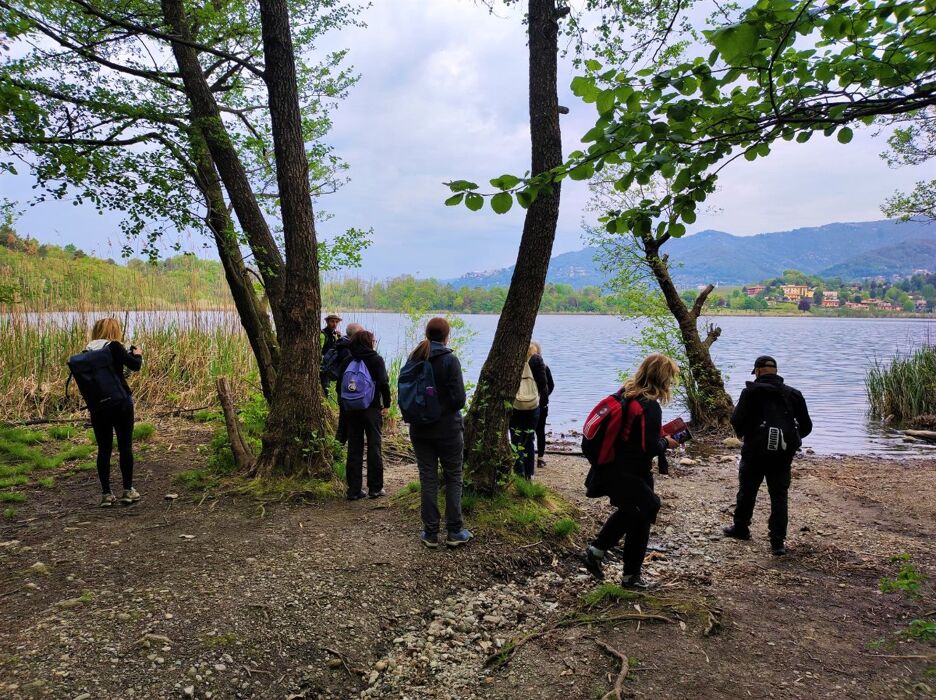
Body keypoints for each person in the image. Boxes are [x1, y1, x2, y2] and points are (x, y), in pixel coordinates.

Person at [578, 354, 681, 589]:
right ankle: (597, 551)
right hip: (629, 471)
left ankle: (630, 575)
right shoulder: (649, 405)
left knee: (639, 516)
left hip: (613, 467)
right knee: (647, 506)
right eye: (670, 379)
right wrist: (667, 443)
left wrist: (658, 438)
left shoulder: (626, 393)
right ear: (663, 379)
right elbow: (650, 447)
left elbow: (634, 436)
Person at [723, 355, 812, 556]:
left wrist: (746, 435)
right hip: (781, 454)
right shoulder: (793, 394)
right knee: (779, 495)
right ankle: (777, 542)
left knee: (747, 490)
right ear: (776, 371)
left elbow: (736, 420)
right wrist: (789, 441)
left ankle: (741, 528)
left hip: (754, 451)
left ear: (759, 371)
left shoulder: (750, 392)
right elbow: (806, 426)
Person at [406, 317, 472, 549]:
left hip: (419, 429)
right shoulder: (450, 359)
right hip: (448, 430)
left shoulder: (415, 357)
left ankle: (430, 533)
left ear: (427, 334)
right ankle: (454, 531)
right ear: (446, 336)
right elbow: (459, 400)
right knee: (454, 477)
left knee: (428, 478)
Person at [85, 318, 143, 507]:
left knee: (104, 449)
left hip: (98, 405)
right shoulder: (115, 346)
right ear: (114, 330)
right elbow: (135, 366)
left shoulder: (87, 350)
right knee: (125, 445)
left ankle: (106, 494)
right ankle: (127, 490)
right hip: (120, 402)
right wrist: (138, 354)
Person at [338, 330, 390, 501]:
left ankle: (353, 490)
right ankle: (375, 488)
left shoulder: (347, 359)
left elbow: (340, 387)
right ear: (369, 342)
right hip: (371, 408)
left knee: (354, 448)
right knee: (374, 446)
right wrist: (387, 404)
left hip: (351, 409)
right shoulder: (376, 359)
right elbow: (383, 383)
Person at [510, 344, 543, 479]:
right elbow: (544, 384)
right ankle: (529, 474)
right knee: (529, 439)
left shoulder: (512, 363)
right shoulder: (537, 362)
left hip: (516, 406)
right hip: (532, 407)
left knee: (516, 439)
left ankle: (519, 473)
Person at [528, 341, 554, 469]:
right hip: (540, 403)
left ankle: (537, 457)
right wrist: (544, 396)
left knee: (535, 431)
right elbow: (551, 385)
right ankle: (539, 458)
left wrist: (544, 396)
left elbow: (551, 385)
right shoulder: (543, 366)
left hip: (535, 403)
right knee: (540, 431)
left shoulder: (544, 367)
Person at [326, 322, 363, 402]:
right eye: (361, 333)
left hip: (342, 389)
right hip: (347, 390)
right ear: (356, 335)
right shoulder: (348, 350)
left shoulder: (341, 342)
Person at [320, 313, 343, 393]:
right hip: (323, 366)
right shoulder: (322, 334)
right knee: (325, 388)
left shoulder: (335, 335)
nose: (335, 324)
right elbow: (319, 351)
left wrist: (339, 338)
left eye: (336, 322)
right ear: (327, 322)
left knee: (327, 388)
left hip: (330, 366)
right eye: (332, 321)